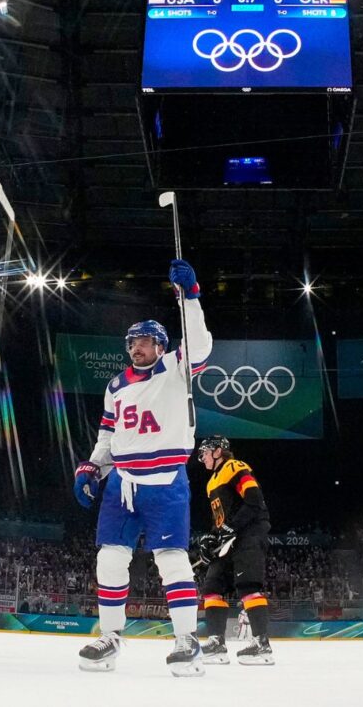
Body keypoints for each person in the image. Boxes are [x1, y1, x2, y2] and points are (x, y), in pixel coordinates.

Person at [74, 259, 213, 676]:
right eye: (133, 341)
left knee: (172, 559)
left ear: (161, 345)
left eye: (147, 340)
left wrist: (190, 297)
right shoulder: (114, 386)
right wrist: (93, 468)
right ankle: (111, 637)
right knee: (110, 560)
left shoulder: (176, 368)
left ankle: (187, 640)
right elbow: (107, 437)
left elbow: (201, 343)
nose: (137, 346)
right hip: (122, 482)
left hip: (166, 480)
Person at [195, 436, 274, 666]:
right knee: (212, 586)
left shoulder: (234, 466)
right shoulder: (211, 483)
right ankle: (216, 643)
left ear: (219, 451)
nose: (202, 458)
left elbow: (254, 500)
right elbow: (221, 519)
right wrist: (212, 536)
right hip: (230, 538)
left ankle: (262, 644)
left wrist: (233, 527)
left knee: (248, 586)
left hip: (249, 533)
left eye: (205, 452)